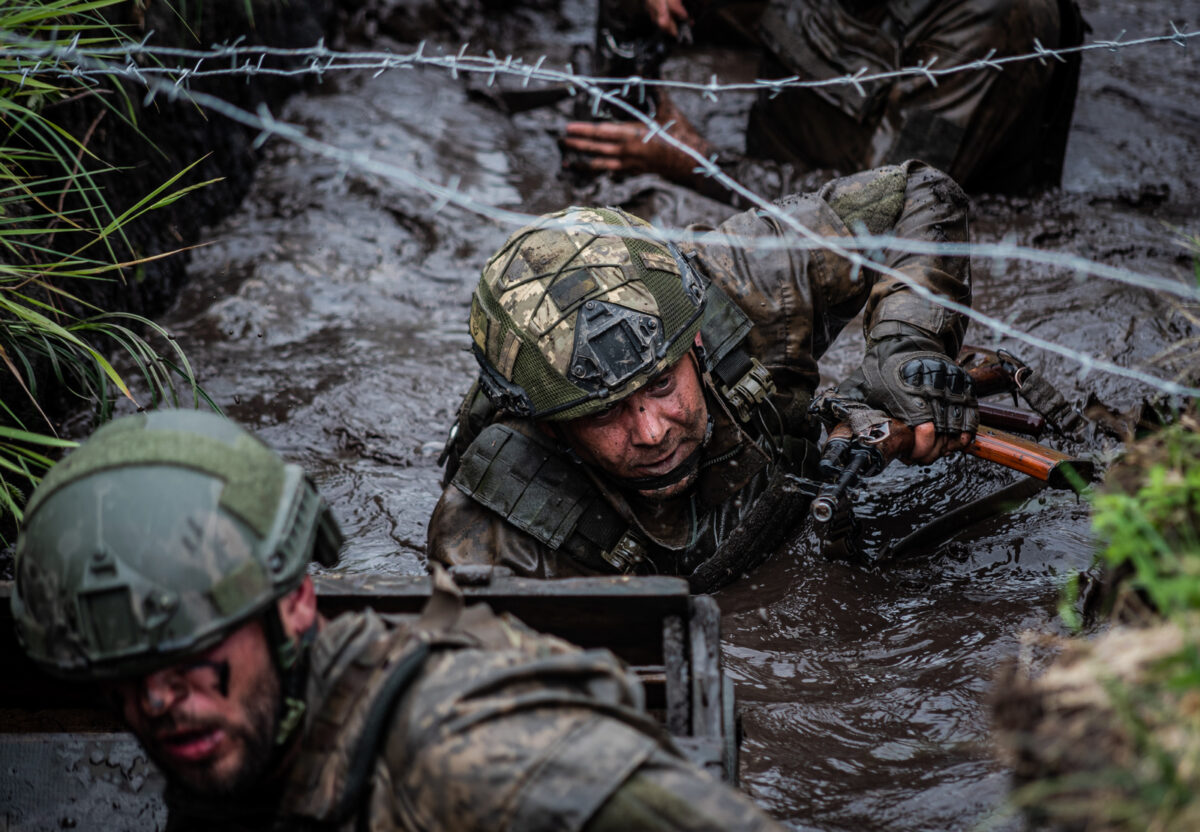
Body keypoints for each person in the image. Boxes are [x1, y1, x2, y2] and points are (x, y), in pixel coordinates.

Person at [10, 409, 787, 831]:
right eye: (123, 673)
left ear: (295, 604)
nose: (157, 700)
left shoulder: (473, 754)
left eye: (188, 652)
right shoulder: (244, 738)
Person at [428, 160, 977, 590]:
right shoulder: (489, 537)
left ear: (695, 341)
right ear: (551, 429)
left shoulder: (746, 279)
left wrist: (906, 347)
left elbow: (920, 192)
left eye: (662, 384)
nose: (653, 431)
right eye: (604, 413)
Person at [561, 0, 1084, 200]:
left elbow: (882, 212)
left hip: (899, 240)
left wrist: (697, 162)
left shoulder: (992, 18)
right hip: (781, 156)